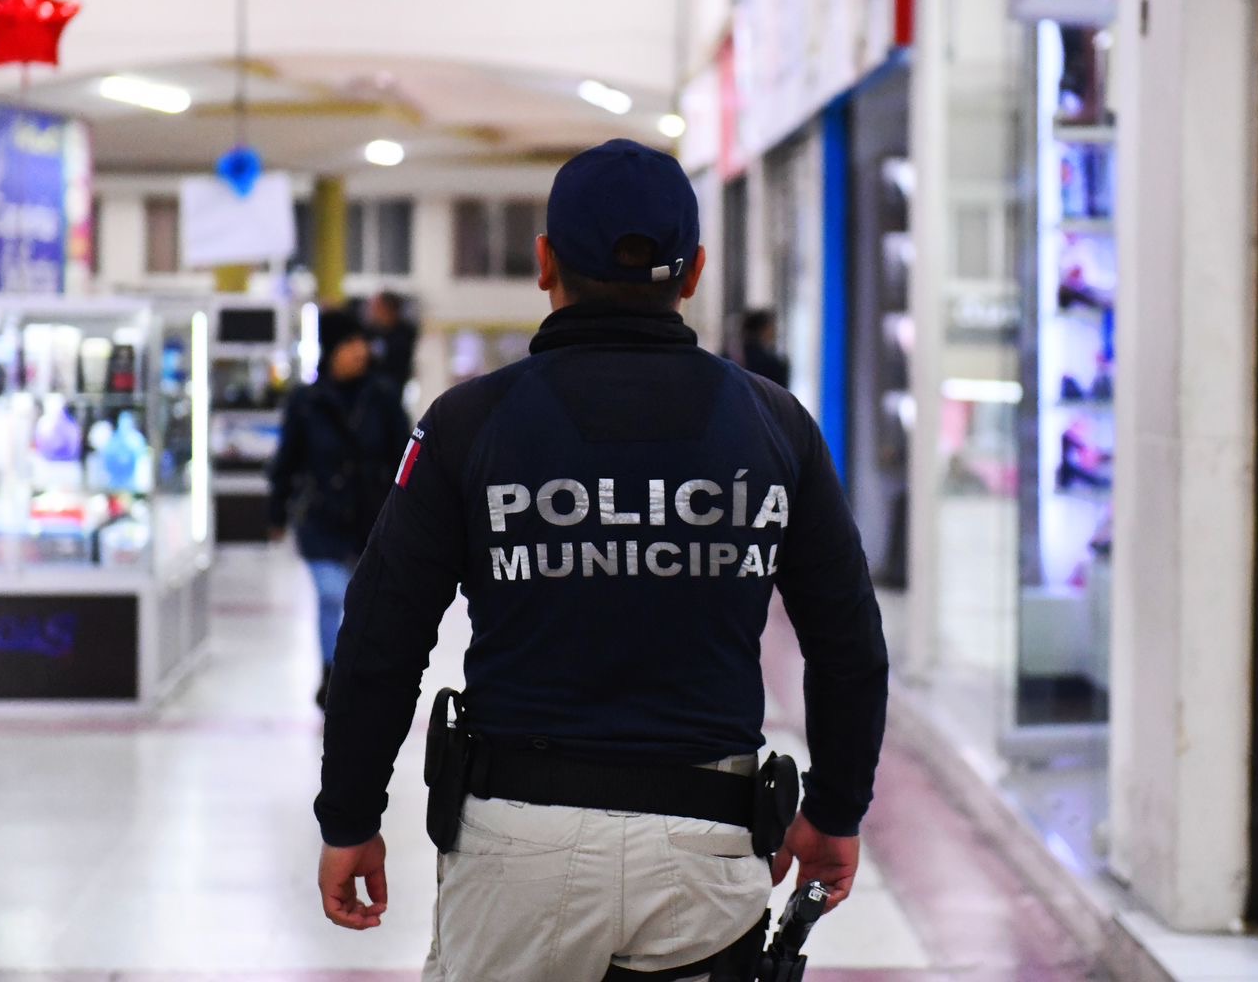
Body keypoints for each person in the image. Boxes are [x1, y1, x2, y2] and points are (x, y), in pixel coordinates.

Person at [315, 139, 889, 980]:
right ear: (694, 272)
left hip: (517, 846)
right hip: (709, 843)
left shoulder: (469, 425)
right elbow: (848, 643)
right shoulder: (775, 427)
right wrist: (836, 809)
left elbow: (380, 637)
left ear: (544, 263)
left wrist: (350, 815)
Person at [268, 309, 412, 709]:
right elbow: (287, 460)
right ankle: (333, 673)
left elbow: (405, 458)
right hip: (322, 518)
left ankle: (357, 673)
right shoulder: (306, 401)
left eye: (362, 342)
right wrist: (277, 512)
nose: (359, 351)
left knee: (368, 603)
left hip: (373, 518)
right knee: (332, 595)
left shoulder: (382, 397)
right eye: (349, 343)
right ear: (331, 349)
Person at [365, 290, 418, 394]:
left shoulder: (405, 333)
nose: (371, 311)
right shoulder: (370, 332)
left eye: (375, 307)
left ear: (386, 308)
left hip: (393, 385)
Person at [738, 309, 791, 389]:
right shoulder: (774, 364)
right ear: (764, 330)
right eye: (772, 327)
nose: (775, 331)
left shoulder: (729, 355)